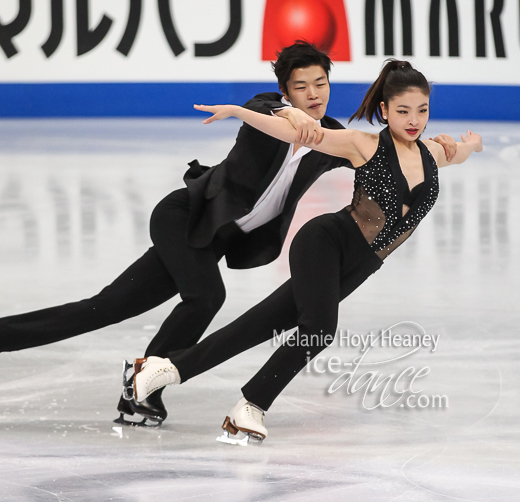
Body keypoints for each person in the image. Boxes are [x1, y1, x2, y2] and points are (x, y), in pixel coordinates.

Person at [127, 59, 483, 443]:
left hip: (362, 265)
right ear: (384, 111)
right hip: (326, 242)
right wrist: (238, 112)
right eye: (402, 111)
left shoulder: (432, 154)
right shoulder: (363, 144)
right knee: (319, 329)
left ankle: (162, 369)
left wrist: (469, 143)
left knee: (259, 324)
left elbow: (462, 151)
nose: (414, 120)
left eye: (422, 110)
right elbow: (296, 132)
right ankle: (250, 406)